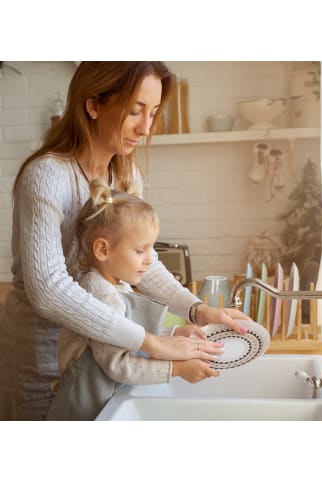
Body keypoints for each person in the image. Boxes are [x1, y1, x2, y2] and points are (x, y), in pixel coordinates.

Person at [0, 61, 249, 421]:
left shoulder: (125, 173)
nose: (146, 128)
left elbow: (139, 260)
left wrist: (195, 309)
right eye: (135, 111)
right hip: (39, 363)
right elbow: (49, 289)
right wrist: (151, 342)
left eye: (153, 112)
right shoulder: (46, 176)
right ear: (93, 104)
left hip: (101, 355)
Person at [47, 179, 221, 420]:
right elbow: (120, 365)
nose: (150, 260)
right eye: (141, 251)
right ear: (103, 250)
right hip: (84, 410)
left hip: (107, 401)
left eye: (151, 249)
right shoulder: (101, 295)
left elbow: (132, 336)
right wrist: (178, 369)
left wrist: (175, 333)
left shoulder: (118, 283)